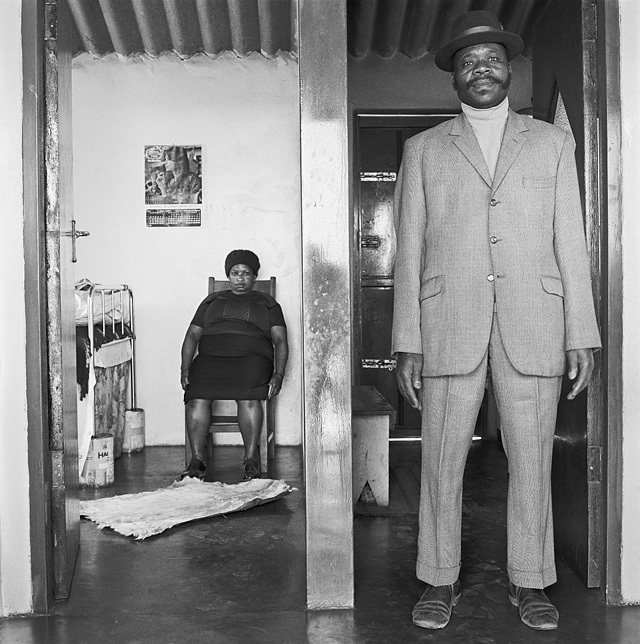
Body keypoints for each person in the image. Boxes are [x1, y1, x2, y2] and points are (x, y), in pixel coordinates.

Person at [392, 10, 601, 632]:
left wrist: (581, 333)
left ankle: (531, 582)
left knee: (533, 457)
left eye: (492, 60)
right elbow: (409, 251)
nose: (481, 69)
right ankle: (437, 578)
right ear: (454, 79)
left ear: (509, 70)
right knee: (440, 460)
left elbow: (572, 241)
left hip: (535, 321)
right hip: (447, 325)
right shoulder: (424, 148)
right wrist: (408, 341)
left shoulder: (552, 143)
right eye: (467, 62)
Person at [180, 250, 288, 480]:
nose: (240, 278)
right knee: (196, 394)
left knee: (248, 395)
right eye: (234, 273)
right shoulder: (212, 300)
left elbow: (280, 340)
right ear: (228, 276)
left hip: (252, 359)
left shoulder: (268, 303)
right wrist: (185, 368)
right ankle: (197, 461)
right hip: (211, 358)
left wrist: (279, 374)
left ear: (254, 276)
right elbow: (191, 336)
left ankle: (251, 459)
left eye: (246, 273)